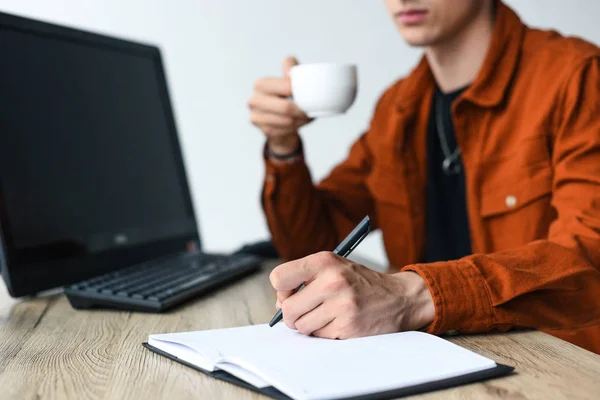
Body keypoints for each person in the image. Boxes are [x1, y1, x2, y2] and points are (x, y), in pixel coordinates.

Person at [247, 0, 600, 353]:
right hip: (430, 364)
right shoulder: (398, 108)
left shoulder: (577, 77)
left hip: (556, 367)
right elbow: (312, 246)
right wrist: (284, 148)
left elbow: (590, 256)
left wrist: (413, 294)